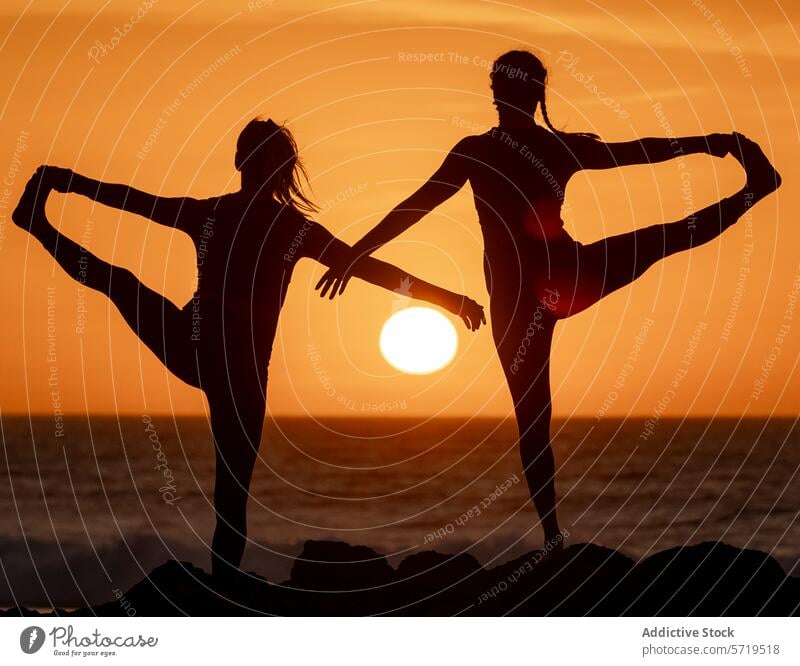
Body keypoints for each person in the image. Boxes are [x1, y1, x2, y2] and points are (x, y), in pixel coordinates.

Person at [315, 50, 781, 551]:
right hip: (562, 278)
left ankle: (553, 537)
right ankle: (552, 536)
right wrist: (715, 143)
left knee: (533, 413)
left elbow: (638, 151)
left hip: (525, 294)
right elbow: (642, 151)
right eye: (500, 87)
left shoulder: (496, 150)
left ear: (519, 94)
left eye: (505, 87)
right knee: (661, 242)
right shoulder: (527, 149)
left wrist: (354, 254)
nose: (500, 96)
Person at [13, 117, 486, 580]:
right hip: (233, 369)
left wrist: (70, 183)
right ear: (274, 168)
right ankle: (222, 595)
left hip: (198, 349)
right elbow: (139, 203)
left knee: (119, 283)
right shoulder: (274, 226)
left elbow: (138, 203)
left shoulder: (230, 217)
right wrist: (450, 300)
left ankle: (37, 225)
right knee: (231, 498)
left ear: (243, 161)